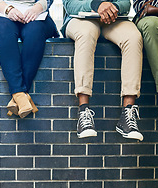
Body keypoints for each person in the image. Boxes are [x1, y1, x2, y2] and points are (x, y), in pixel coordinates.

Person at [62, 0, 144, 140]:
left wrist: (113, 8)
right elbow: (70, 4)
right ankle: (83, 112)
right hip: (79, 18)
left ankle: (128, 113)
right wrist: (97, 5)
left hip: (112, 19)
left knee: (133, 37)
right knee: (86, 33)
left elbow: (126, 3)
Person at [0, 0, 59, 118]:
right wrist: (8, 9)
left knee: (35, 31)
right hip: (1, 13)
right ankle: (21, 96)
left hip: (35, 14)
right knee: (4, 29)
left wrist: (36, 9)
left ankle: (18, 96)